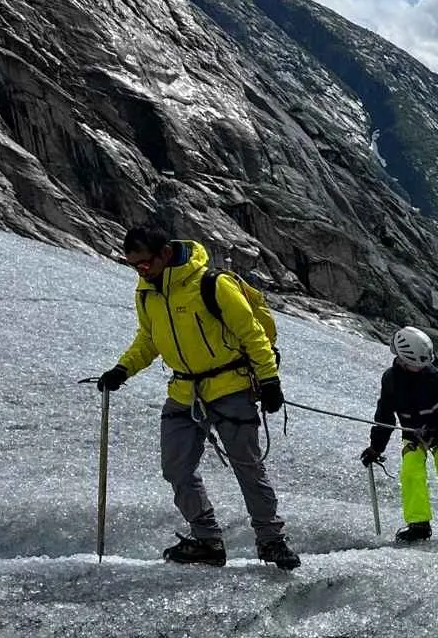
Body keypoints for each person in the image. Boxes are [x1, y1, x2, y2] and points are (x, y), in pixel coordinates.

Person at [95, 225, 298, 569]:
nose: (140, 271)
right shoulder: (147, 292)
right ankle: (207, 540)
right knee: (176, 468)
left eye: (144, 264)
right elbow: (149, 339)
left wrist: (269, 381)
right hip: (184, 391)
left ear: (164, 253)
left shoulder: (211, 284)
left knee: (247, 468)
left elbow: (252, 334)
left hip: (230, 387)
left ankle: (272, 540)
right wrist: (122, 369)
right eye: (134, 266)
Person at [359, 326, 438, 547]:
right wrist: (376, 447)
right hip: (413, 434)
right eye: (414, 364)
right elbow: (385, 415)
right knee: (411, 474)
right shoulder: (391, 380)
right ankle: (418, 524)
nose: (419, 368)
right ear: (401, 359)